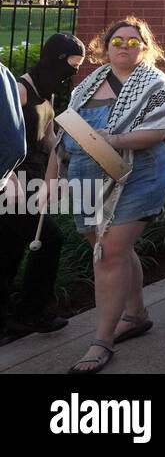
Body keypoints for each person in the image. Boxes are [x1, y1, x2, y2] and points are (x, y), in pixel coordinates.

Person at [60, 17, 165, 374]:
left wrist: (110, 140)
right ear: (105, 45)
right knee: (107, 246)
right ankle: (136, 314)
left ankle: (101, 341)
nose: (125, 45)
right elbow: (68, 129)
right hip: (87, 172)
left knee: (108, 252)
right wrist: (55, 174)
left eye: (133, 41)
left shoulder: (155, 82)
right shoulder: (86, 86)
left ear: (145, 48)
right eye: (118, 40)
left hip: (140, 174)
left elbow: (160, 131)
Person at [0, 34, 83, 346]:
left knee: (9, 250)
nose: (71, 74)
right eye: (70, 66)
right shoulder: (19, 90)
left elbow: (49, 140)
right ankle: (31, 313)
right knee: (50, 240)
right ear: (54, 58)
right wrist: (8, 180)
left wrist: (61, 174)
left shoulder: (45, 94)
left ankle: (8, 320)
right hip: (13, 185)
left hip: (34, 184)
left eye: (78, 68)